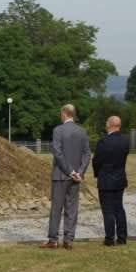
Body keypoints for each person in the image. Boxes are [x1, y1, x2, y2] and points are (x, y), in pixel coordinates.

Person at [41, 104, 92, 250]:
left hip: (60, 175)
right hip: (75, 177)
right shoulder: (82, 131)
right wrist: (79, 172)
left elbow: (57, 153)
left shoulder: (58, 130)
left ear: (64, 113)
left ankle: (53, 240)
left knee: (56, 208)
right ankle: (69, 239)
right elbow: (87, 153)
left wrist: (71, 171)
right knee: (72, 208)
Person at [92, 115, 129, 246]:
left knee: (107, 210)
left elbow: (97, 161)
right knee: (119, 208)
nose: (105, 124)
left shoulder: (103, 142)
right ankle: (122, 237)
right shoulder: (125, 141)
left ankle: (109, 238)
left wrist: (97, 174)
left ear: (110, 125)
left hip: (106, 179)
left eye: (107, 122)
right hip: (119, 178)